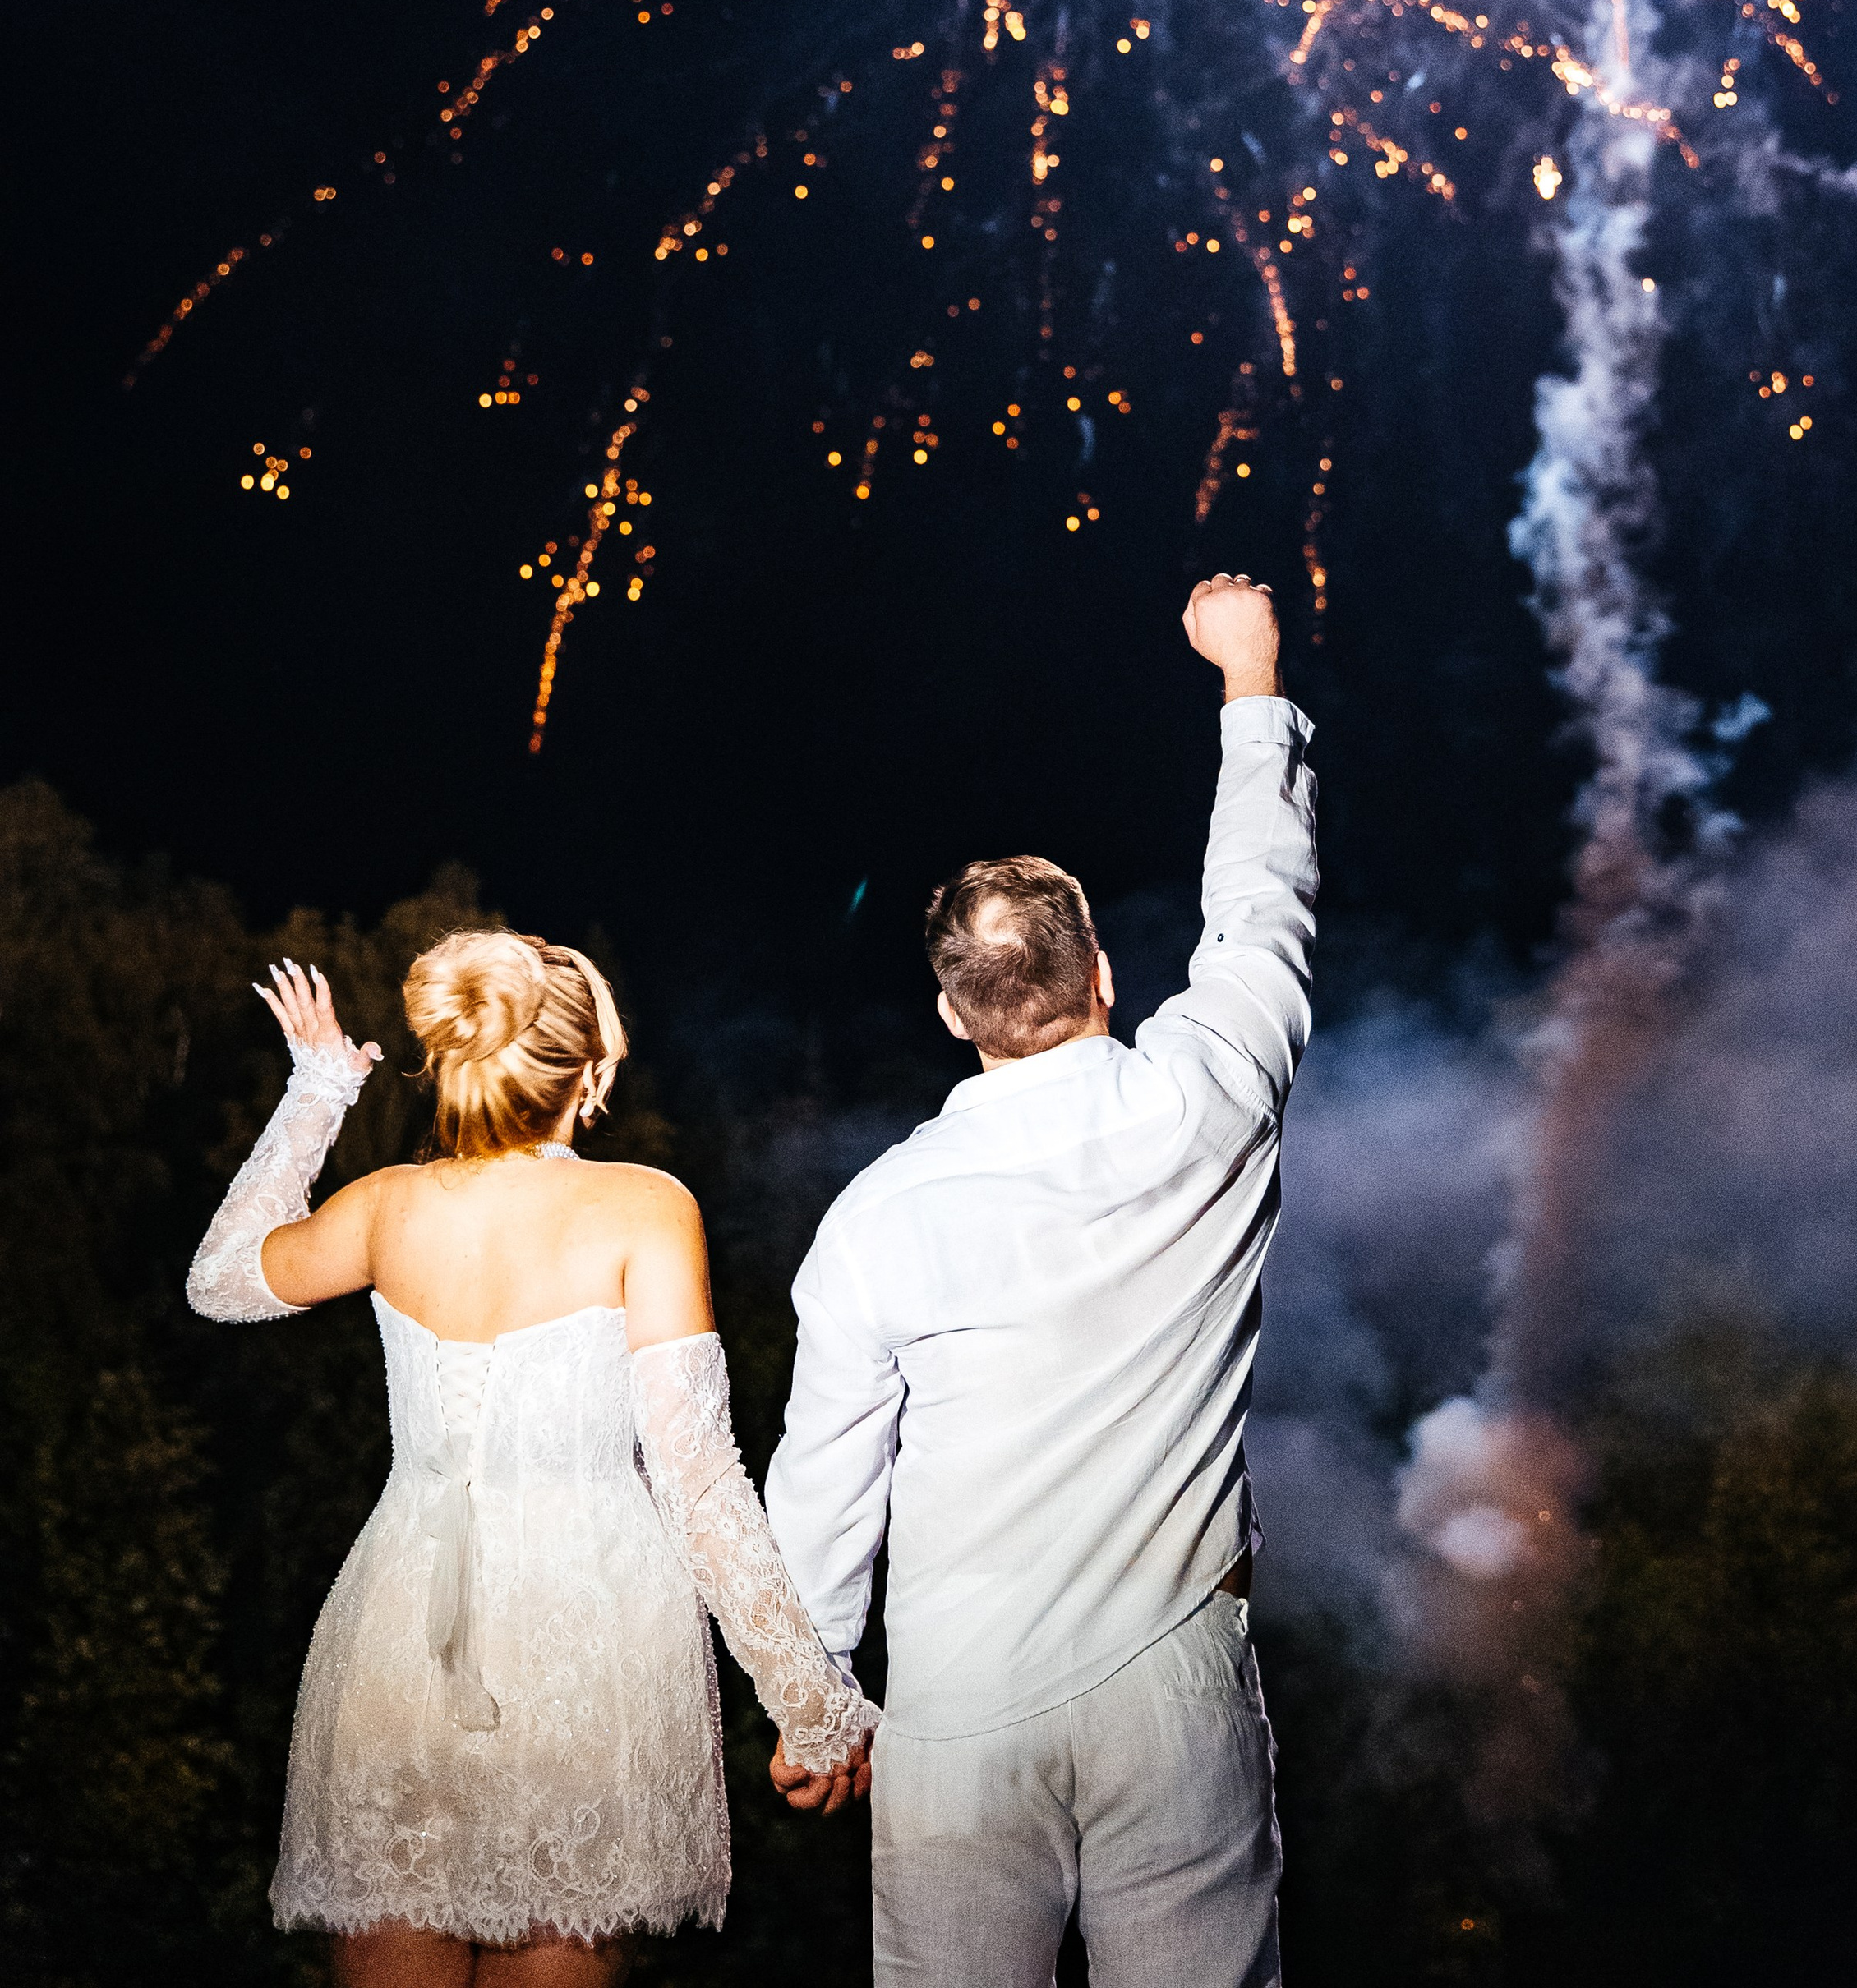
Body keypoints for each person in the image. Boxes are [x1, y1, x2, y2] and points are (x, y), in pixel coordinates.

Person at [763, 572, 1319, 1987]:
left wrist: (814, 1694)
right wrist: (1248, 677)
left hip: (957, 1704)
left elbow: (825, 1479)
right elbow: (1261, 911)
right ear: (1106, 974)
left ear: (955, 1012)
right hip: (1175, 1676)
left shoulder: (877, 1217)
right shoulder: (1208, 1102)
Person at [188, 927, 878, 1985]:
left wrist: (319, 1090)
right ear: (590, 1075)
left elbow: (220, 1280)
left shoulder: (386, 1206)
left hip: (402, 1640)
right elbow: (698, 1482)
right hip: (590, 1643)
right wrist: (809, 1705)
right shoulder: (646, 1207)